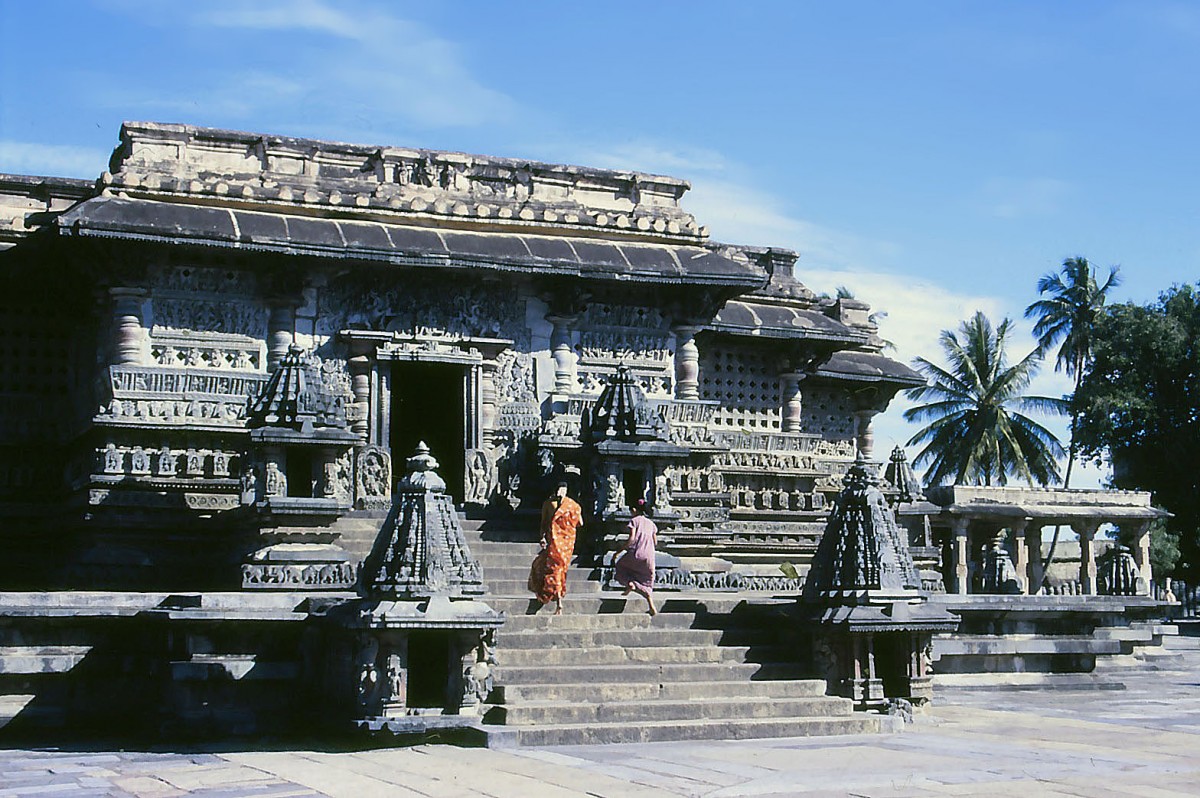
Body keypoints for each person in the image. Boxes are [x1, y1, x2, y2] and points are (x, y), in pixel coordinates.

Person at [528, 481, 583, 615]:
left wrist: (542, 537)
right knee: (558, 570)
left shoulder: (548, 504)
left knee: (553, 569)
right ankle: (555, 598)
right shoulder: (573, 506)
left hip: (555, 542)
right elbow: (580, 523)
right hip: (566, 543)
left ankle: (558, 601)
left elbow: (544, 522)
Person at [613, 498, 658, 615]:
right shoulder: (651, 524)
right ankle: (651, 605)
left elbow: (631, 539)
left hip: (636, 553)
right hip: (649, 556)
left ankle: (630, 584)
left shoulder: (634, 521)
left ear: (634, 510)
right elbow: (655, 542)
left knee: (620, 566)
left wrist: (620, 551)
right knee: (647, 581)